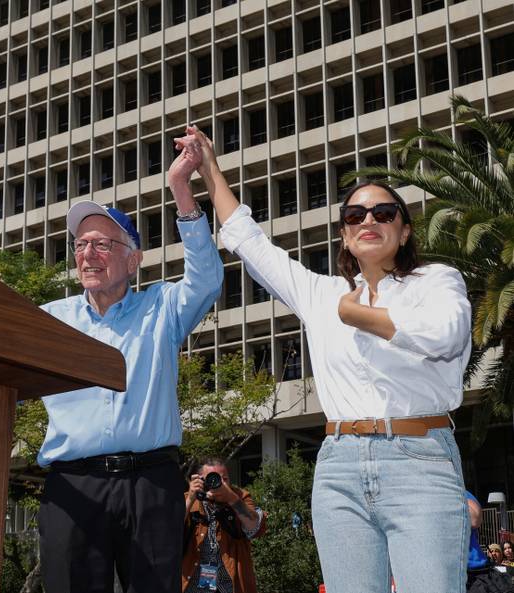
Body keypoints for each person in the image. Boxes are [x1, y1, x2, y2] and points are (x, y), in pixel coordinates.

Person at [186, 124, 472, 593]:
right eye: (355, 214)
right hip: (338, 464)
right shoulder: (321, 293)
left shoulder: (436, 280)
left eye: (384, 212)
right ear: (344, 235)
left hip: (420, 460)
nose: (368, 220)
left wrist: (360, 314)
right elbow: (249, 243)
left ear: (403, 229)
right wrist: (210, 168)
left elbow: (446, 335)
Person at [37, 135, 223, 593]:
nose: (88, 254)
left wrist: (181, 186)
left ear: (133, 259)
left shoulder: (162, 307)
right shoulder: (48, 320)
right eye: (81, 245)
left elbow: (208, 278)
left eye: (102, 244)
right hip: (72, 486)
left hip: (150, 483)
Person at [182, 458, 266, 593]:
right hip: (194, 581)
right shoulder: (188, 498)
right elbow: (168, 534)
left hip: (231, 583)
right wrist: (191, 498)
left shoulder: (239, 496)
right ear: (199, 481)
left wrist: (231, 498)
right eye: (210, 478)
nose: (219, 483)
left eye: (224, 479)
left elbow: (254, 526)